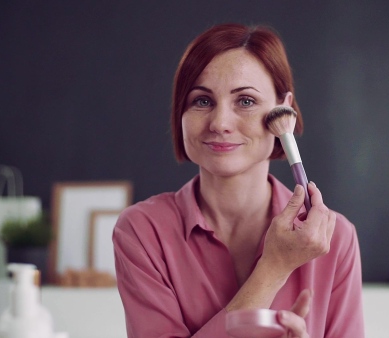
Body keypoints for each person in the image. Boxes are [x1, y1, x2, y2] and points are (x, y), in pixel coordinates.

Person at [113, 23, 364, 338]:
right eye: (202, 101)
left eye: (245, 101)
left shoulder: (335, 238)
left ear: (282, 109)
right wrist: (273, 269)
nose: (219, 123)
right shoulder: (143, 231)